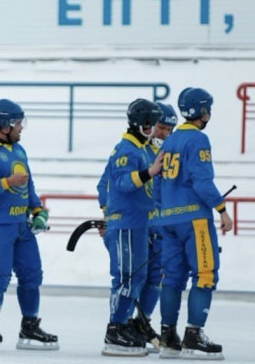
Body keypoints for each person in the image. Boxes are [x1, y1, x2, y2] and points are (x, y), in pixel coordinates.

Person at [0, 99, 58, 352]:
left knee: (32, 275)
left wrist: (38, 209)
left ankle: (29, 325)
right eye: (18, 123)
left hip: (21, 225)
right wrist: (6, 182)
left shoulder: (19, 151)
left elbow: (28, 187)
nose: (21, 128)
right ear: (5, 125)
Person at [154, 87, 233, 360]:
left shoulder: (170, 140)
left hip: (169, 220)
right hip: (194, 220)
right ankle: (193, 336)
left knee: (172, 279)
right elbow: (202, 181)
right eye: (208, 108)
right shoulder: (198, 140)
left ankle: (167, 336)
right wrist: (221, 209)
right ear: (202, 111)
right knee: (205, 274)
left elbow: (157, 183)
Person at [96, 102, 177, 353]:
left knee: (146, 277)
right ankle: (116, 329)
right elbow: (116, 184)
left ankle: (135, 324)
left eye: (166, 128)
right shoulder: (127, 150)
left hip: (146, 224)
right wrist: (108, 215)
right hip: (128, 222)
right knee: (128, 277)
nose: (160, 132)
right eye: (157, 126)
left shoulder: (145, 149)